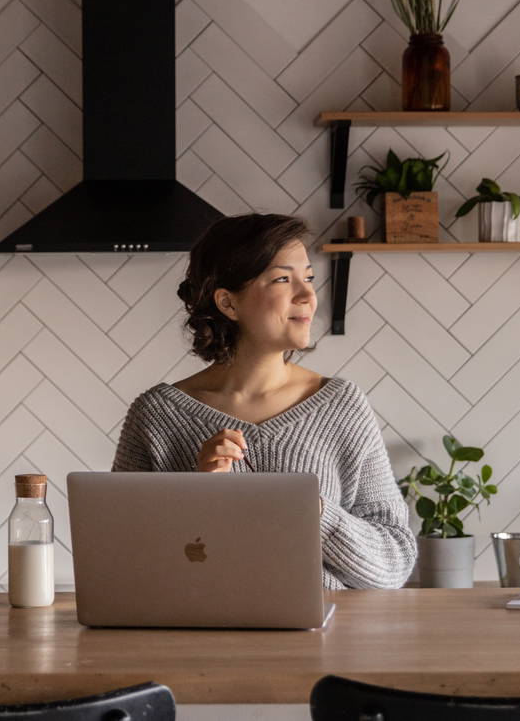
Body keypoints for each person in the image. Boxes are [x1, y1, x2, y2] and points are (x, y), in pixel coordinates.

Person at [112, 213, 416, 589]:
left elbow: (395, 563)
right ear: (228, 302)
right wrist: (197, 497)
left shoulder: (341, 405)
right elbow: (120, 563)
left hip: (325, 644)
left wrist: (313, 511)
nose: (307, 295)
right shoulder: (156, 416)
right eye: (283, 279)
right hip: (196, 642)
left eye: (307, 277)